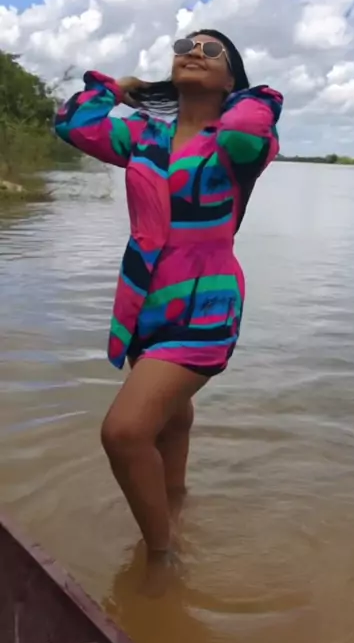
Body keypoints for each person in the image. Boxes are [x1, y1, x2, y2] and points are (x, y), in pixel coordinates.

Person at [54, 29, 283, 571]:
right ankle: (175, 505)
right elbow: (72, 123)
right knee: (170, 422)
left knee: (125, 432)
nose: (194, 53)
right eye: (185, 46)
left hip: (205, 305)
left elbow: (249, 128)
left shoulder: (239, 142)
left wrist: (244, 97)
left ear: (231, 78)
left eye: (212, 50)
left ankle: (160, 558)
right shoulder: (144, 137)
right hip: (145, 302)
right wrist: (117, 88)